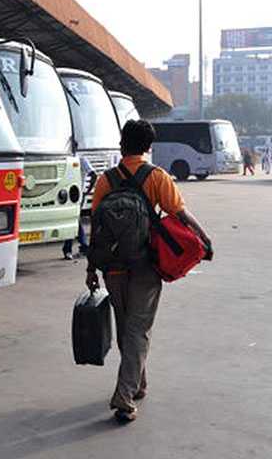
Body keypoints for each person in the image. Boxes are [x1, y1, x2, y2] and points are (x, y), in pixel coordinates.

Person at [86, 120, 212, 423]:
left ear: (121, 145)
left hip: (113, 267)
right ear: (148, 148)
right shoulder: (157, 177)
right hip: (145, 264)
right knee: (138, 330)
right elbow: (180, 213)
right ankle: (124, 396)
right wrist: (205, 239)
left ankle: (137, 384)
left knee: (127, 327)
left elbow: (96, 227)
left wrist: (91, 267)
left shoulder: (106, 180)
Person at [63, 155, 96, 260]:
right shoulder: (67, 159)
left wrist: (87, 191)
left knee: (73, 221)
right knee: (74, 221)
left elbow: (93, 174)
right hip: (67, 195)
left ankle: (69, 249)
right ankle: (82, 246)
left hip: (77, 195)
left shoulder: (81, 159)